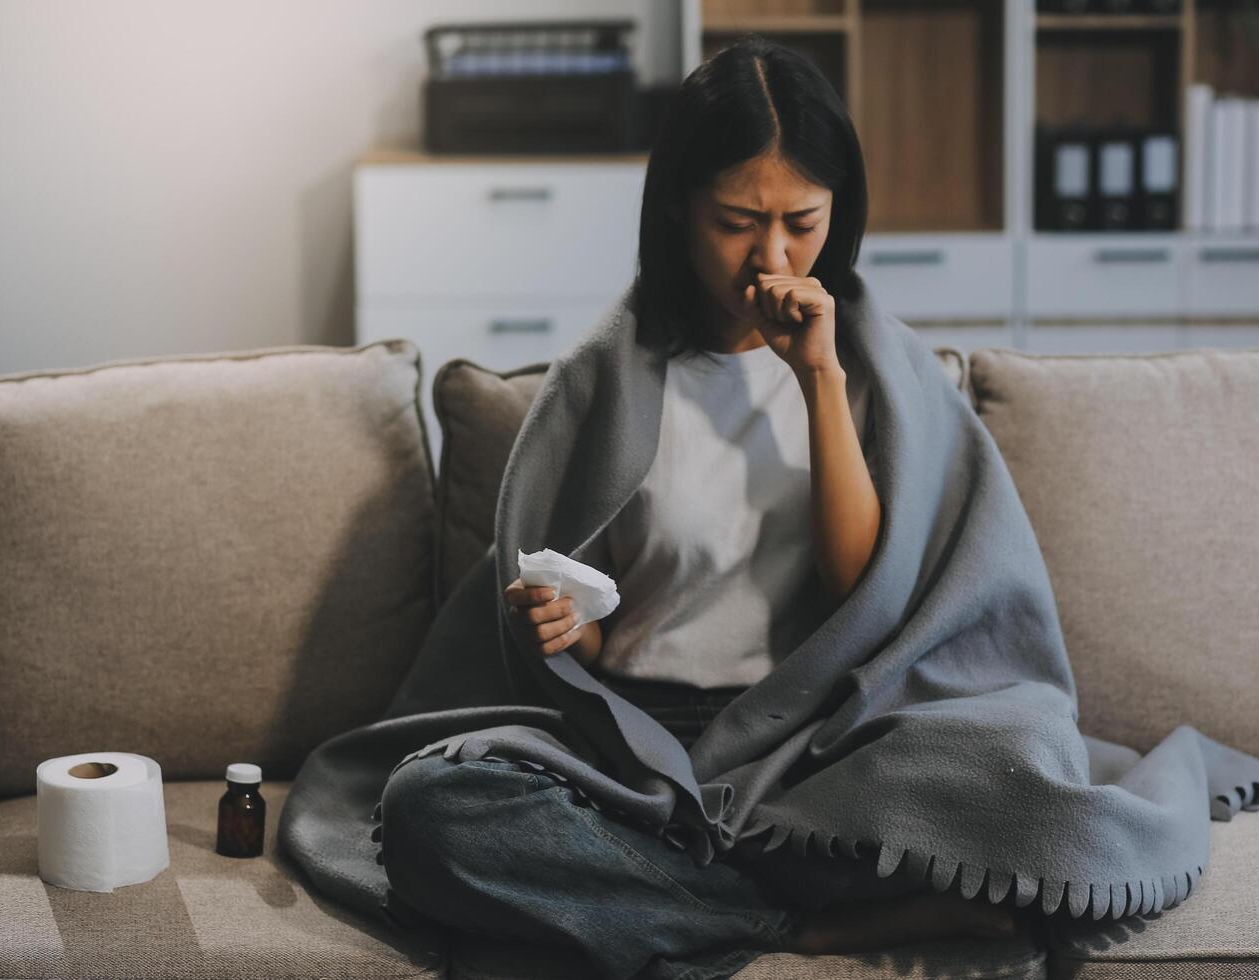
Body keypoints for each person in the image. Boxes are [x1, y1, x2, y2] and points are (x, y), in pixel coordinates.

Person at [379, 34, 1026, 979]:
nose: (770, 256)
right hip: (637, 752)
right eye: (736, 221)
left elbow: (868, 593)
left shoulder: (869, 371)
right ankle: (784, 926)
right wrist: (566, 632)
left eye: (802, 222)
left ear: (838, 214)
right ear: (679, 203)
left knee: (1013, 795)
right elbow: (599, 648)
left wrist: (816, 380)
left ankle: (660, 903)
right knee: (431, 813)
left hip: (813, 745)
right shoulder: (605, 383)